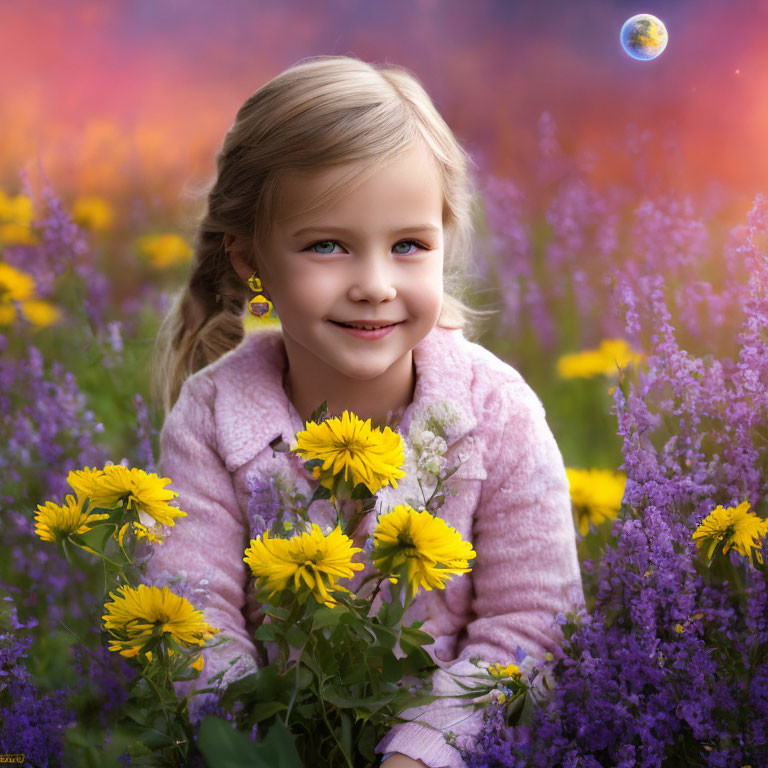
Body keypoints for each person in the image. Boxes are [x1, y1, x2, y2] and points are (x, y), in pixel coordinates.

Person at [145, 54, 585, 768]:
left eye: (409, 246)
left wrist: (419, 753)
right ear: (251, 258)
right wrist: (263, 751)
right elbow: (193, 618)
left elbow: (532, 624)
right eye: (328, 246)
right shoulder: (212, 417)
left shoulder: (497, 413)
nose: (376, 285)